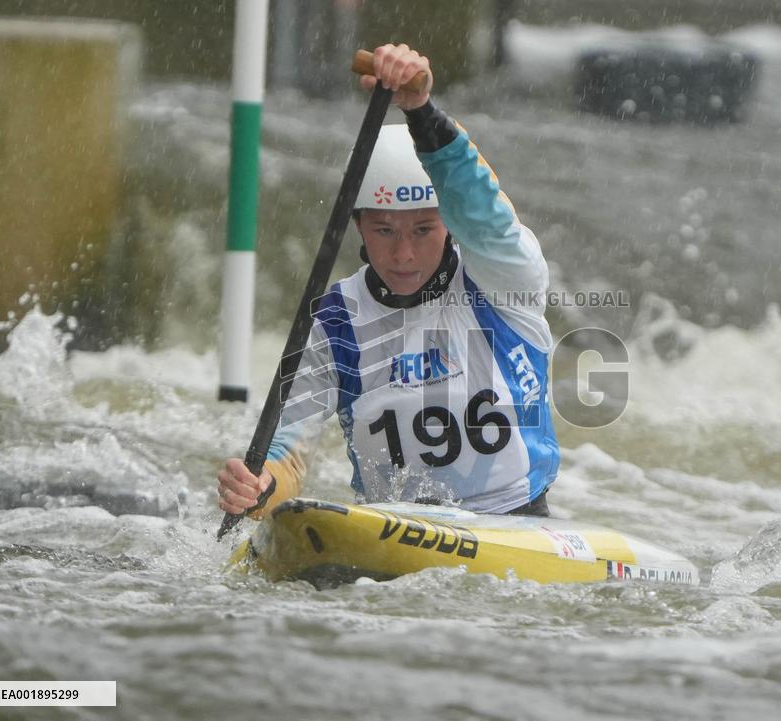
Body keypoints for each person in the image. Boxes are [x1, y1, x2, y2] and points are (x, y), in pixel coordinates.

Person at [217, 43, 559, 521]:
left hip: (513, 520)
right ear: (358, 225)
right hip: (390, 529)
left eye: (423, 230)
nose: (403, 254)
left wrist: (420, 111)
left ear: (450, 224)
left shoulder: (502, 276)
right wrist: (258, 490)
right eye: (384, 230)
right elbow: (289, 451)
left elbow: (481, 208)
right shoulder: (335, 319)